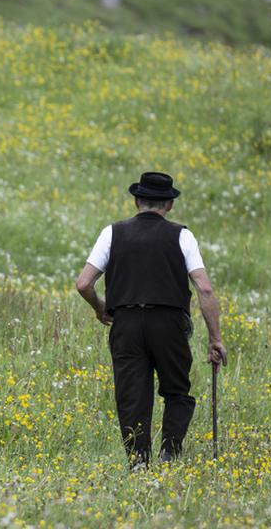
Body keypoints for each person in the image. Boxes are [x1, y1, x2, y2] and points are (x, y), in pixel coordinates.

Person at [75, 171, 226, 468]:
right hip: (169, 323)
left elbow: (83, 283)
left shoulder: (112, 232)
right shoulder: (182, 235)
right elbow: (204, 288)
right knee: (176, 389)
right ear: (169, 205)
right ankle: (169, 453)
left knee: (132, 395)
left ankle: (138, 461)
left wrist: (99, 307)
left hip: (126, 323)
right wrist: (215, 338)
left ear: (136, 201)